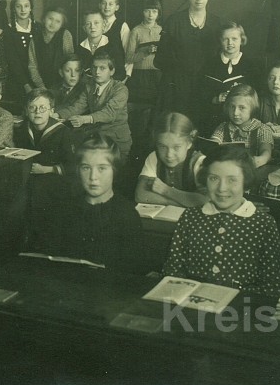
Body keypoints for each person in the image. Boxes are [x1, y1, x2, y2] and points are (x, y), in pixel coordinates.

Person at [163, 145, 280, 296]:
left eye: (232, 180)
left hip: (239, 309)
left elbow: (270, 287)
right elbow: (172, 271)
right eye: (214, 178)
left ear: (246, 181)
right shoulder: (190, 217)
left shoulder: (263, 224)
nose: (222, 188)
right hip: (191, 302)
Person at [26, 133, 144, 273]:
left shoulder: (126, 215)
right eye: (86, 168)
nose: (93, 177)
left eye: (102, 168)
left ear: (114, 171)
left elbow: (132, 271)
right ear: (78, 170)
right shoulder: (63, 210)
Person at [14, 89, 75, 255]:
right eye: (32, 108)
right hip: (28, 178)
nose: (37, 112)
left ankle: (43, 242)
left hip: (54, 178)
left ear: (52, 110)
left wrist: (48, 169)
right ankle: (21, 241)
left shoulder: (63, 132)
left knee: (40, 195)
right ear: (26, 110)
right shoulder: (21, 129)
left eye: (42, 108)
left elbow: (73, 165)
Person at [154, 0, 222, 122]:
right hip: (177, 87)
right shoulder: (174, 21)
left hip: (207, 86)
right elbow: (159, 60)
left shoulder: (217, 24)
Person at [57, 50, 132, 162]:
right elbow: (77, 107)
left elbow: (109, 113)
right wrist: (56, 114)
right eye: (94, 67)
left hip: (116, 142)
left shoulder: (120, 89)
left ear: (112, 71)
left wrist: (85, 119)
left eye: (102, 68)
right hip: (97, 138)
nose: (97, 72)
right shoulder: (90, 86)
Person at [135, 112, 207, 208]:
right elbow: (140, 195)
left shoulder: (199, 162)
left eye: (176, 147)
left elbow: (205, 200)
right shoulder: (154, 157)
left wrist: (166, 190)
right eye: (163, 147)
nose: (169, 154)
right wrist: (183, 202)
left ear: (189, 143)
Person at [200, 22, 259, 135]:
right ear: (220, 41)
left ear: (242, 40)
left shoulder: (251, 66)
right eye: (225, 39)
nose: (230, 43)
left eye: (234, 39)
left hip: (241, 122)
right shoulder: (209, 65)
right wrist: (216, 99)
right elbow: (200, 95)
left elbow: (256, 97)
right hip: (212, 121)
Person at [210, 84, 274, 170]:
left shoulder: (262, 129)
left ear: (252, 109)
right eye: (232, 107)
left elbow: (266, 151)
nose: (235, 113)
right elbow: (213, 143)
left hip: (253, 172)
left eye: (242, 108)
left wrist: (261, 159)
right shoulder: (223, 128)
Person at [3, 0, 41, 108]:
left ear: (31, 8)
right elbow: (13, 61)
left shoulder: (38, 27)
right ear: (13, 9)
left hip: (39, 79)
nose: (23, 9)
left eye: (26, 6)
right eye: (18, 6)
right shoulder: (8, 31)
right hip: (18, 81)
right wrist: (26, 85)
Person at [125, 0, 163, 104]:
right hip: (140, 76)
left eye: (154, 11)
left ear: (158, 13)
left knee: (157, 105)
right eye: (147, 11)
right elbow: (129, 58)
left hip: (158, 75)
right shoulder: (136, 31)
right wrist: (145, 52)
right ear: (142, 12)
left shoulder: (162, 30)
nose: (150, 15)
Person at [28, 7, 74, 90]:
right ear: (43, 19)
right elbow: (32, 66)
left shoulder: (65, 35)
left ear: (61, 25)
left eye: (57, 21)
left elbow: (70, 62)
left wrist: (64, 85)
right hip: (41, 84)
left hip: (62, 84)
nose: (52, 23)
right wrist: (41, 87)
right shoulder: (35, 38)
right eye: (50, 19)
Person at [75, 10, 125, 81]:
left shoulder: (113, 46)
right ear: (84, 28)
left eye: (96, 23)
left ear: (103, 25)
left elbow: (121, 74)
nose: (92, 27)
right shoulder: (79, 48)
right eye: (88, 24)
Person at [99, 0, 131, 77]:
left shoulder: (122, 26)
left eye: (110, 4)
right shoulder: (95, 24)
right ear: (99, 5)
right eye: (104, 3)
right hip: (98, 73)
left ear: (117, 7)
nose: (107, 7)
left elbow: (128, 53)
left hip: (117, 74)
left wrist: (127, 75)